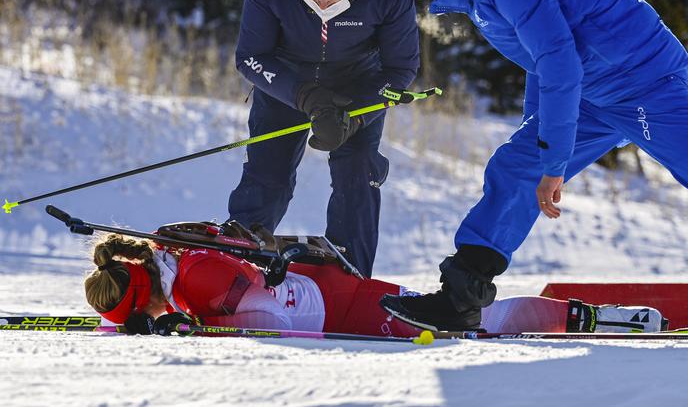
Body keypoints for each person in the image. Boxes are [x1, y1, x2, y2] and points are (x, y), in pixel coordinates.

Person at [378, 0, 688, 331]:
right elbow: (539, 61)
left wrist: (555, 163)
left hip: (648, 82)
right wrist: (539, 146)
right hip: (591, 93)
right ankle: (459, 301)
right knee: (515, 167)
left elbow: (558, 62)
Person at [228, 0, 420, 278]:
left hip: (358, 86)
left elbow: (401, 67)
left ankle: (349, 275)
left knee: (359, 170)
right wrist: (306, 96)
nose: (325, 5)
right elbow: (250, 56)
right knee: (267, 175)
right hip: (286, 82)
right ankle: (238, 265)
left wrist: (356, 116)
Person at [83, 230, 666, 336]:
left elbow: (274, 327)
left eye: (142, 314)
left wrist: (195, 328)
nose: (150, 320)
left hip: (343, 307)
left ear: (145, 287)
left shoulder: (200, 276)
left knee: (473, 326)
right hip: (321, 294)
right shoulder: (170, 268)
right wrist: (176, 323)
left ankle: (600, 317)